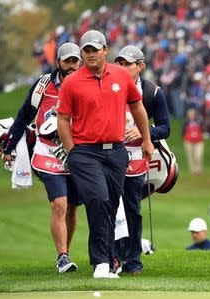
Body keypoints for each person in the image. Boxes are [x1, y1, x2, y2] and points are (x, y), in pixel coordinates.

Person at [57, 30, 154, 279]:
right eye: (86, 50)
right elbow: (63, 119)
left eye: (95, 49)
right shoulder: (72, 82)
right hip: (85, 153)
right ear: (82, 53)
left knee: (109, 206)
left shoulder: (121, 75)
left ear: (105, 50)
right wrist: (72, 151)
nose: (90, 54)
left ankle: (109, 261)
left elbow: (138, 108)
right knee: (98, 200)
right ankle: (101, 263)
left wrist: (146, 139)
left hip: (116, 152)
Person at [3, 42, 82, 273]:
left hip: (76, 154)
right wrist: (9, 147)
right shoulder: (42, 85)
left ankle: (66, 253)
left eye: (75, 61)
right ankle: (63, 256)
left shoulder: (86, 83)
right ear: (58, 62)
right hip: (48, 153)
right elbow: (23, 116)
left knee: (72, 208)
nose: (71, 65)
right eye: (66, 61)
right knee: (59, 203)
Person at [113, 45, 170, 275]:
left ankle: (133, 260)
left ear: (141, 66)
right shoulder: (110, 87)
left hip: (137, 157)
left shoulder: (152, 92)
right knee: (109, 207)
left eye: (129, 64)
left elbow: (166, 128)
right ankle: (113, 257)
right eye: (121, 63)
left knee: (131, 209)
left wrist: (145, 132)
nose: (124, 68)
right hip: (110, 154)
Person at [183, 108, 204, 175]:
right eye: (190, 114)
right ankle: (193, 169)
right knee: (190, 156)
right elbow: (183, 131)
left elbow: (202, 130)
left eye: (192, 114)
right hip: (189, 141)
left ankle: (199, 169)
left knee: (198, 155)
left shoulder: (199, 121)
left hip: (198, 141)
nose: (191, 115)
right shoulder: (186, 122)